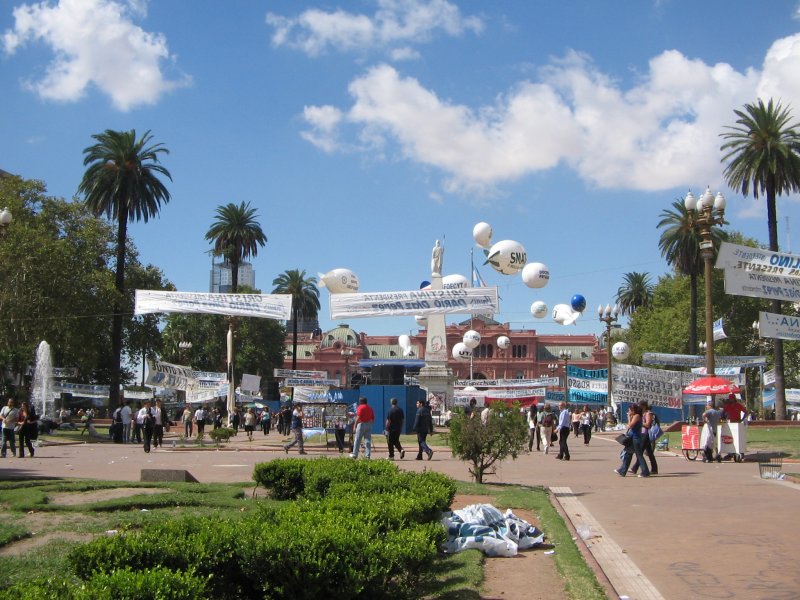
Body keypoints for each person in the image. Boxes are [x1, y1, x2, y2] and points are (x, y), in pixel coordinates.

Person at [615, 404, 650, 477]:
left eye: (629, 410)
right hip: (632, 438)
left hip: (635, 438)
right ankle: (622, 470)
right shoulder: (634, 416)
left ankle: (645, 471)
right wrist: (630, 417)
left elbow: (630, 425)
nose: (628, 411)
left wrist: (628, 417)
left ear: (633, 410)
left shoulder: (637, 416)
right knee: (628, 454)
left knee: (639, 455)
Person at [631, 401, 658, 476]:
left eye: (640, 406)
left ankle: (635, 468)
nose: (639, 407)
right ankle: (654, 469)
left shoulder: (648, 413)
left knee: (639, 451)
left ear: (644, 406)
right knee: (649, 452)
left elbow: (648, 425)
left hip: (646, 434)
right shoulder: (642, 414)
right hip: (642, 433)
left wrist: (639, 423)